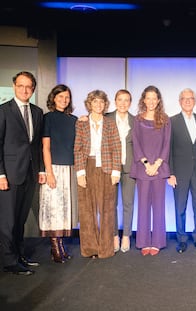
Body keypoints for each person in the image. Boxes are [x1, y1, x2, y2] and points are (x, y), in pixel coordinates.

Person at [0, 71, 46, 275]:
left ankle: (19, 255)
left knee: (20, 219)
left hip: (29, 173)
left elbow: (36, 146)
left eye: (28, 86)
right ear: (14, 86)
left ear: (33, 88)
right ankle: (9, 261)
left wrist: (41, 169)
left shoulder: (37, 112)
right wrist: (0, 174)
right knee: (8, 221)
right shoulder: (3, 111)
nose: (25, 90)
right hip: (9, 174)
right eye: (21, 86)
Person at [74, 90, 121, 259]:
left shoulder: (110, 123)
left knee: (107, 209)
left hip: (107, 169)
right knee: (87, 210)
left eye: (101, 102)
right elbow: (78, 149)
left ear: (105, 104)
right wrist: (80, 172)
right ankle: (89, 248)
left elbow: (117, 148)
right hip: (87, 166)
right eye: (95, 102)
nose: (98, 105)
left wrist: (116, 171)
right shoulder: (81, 123)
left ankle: (106, 249)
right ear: (89, 104)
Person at [167, 88, 196, 253]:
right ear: (179, 102)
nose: (187, 101)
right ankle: (182, 240)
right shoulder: (172, 121)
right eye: (184, 98)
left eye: (191, 98)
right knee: (180, 208)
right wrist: (170, 173)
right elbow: (168, 149)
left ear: (195, 101)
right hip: (179, 172)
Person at [130, 85, 171, 256]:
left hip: (159, 169)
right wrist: (147, 164)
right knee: (143, 206)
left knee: (159, 206)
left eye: (155, 98)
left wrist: (157, 164)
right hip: (143, 169)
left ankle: (158, 242)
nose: (152, 101)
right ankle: (144, 241)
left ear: (158, 100)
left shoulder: (166, 120)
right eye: (148, 98)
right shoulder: (138, 120)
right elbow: (136, 142)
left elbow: (167, 144)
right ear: (143, 100)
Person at [39, 84, 77, 263]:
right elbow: (45, 147)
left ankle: (61, 245)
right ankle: (55, 247)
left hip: (70, 168)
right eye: (60, 96)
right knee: (53, 208)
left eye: (67, 97)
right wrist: (49, 172)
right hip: (54, 168)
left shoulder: (73, 119)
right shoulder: (47, 118)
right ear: (53, 98)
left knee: (64, 209)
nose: (64, 100)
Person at [106, 90, 136, 253]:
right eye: (120, 100)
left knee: (128, 203)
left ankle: (126, 235)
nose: (123, 103)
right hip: (110, 167)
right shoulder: (107, 118)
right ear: (115, 101)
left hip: (130, 167)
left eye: (126, 100)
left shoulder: (135, 120)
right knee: (111, 204)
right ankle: (113, 236)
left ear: (130, 103)